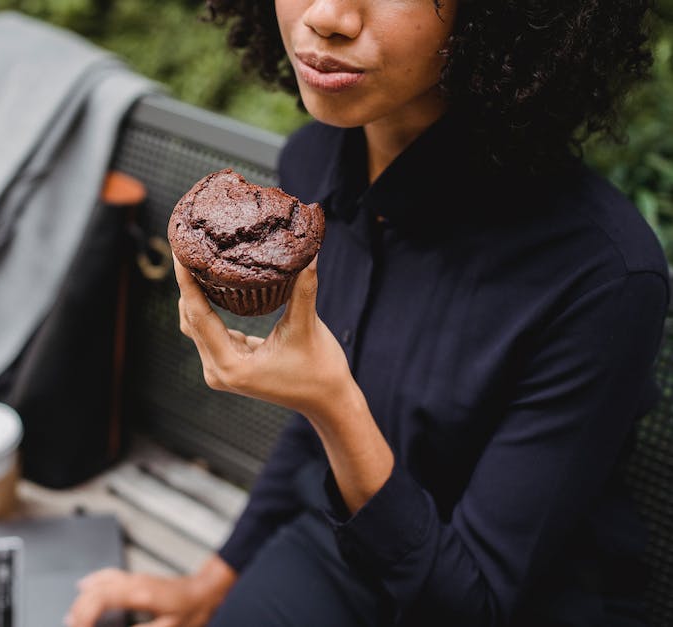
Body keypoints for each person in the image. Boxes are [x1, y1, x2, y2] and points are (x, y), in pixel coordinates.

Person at [66, 0, 667, 625]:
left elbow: (475, 603)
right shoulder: (310, 171)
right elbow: (308, 438)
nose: (327, 15)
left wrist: (334, 402)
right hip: (334, 549)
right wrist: (206, 585)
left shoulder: (602, 276)